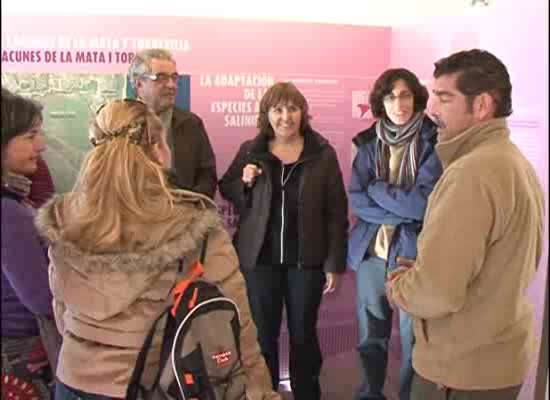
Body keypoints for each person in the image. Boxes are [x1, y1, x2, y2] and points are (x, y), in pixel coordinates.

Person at [35, 99, 280, 400]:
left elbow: (62, 313)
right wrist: (261, 391)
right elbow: (236, 325)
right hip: (149, 385)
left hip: (71, 382)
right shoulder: (195, 227)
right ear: (158, 152)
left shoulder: (65, 219)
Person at [386, 49, 545, 400]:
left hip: (459, 373)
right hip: (493, 364)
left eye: (445, 98)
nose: (432, 110)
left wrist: (401, 285)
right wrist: (428, 271)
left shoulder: (471, 173)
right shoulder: (512, 162)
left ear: (483, 105)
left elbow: (436, 293)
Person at [219, 82, 349, 400]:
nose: (285, 116)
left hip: (306, 262)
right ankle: (265, 394)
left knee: (303, 335)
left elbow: (336, 211)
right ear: (267, 114)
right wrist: (245, 183)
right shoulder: (252, 150)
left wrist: (335, 263)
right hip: (259, 262)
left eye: (292, 108)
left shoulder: (322, 153)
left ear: (303, 113)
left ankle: (307, 393)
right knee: (263, 336)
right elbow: (227, 187)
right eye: (278, 109)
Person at [348, 68, 442, 400]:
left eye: (404, 95)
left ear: (416, 97)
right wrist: (396, 207)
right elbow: (357, 200)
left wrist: (377, 188)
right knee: (370, 337)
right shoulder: (368, 142)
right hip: (373, 253)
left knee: (413, 339)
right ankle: (370, 394)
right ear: (381, 102)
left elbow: (422, 205)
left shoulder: (434, 140)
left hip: (413, 256)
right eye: (390, 96)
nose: (398, 103)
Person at [1, 90, 55, 399]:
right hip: (20, 353)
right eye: (31, 135)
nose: (42, 144)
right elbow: (41, 297)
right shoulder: (8, 211)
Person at [128, 48, 217, 198]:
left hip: (182, 216)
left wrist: (188, 207)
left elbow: (207, 178)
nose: (171, 85)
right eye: (161, 78)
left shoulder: (191, 124)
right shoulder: (117, 123)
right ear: (139, 84)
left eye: (174, 78)